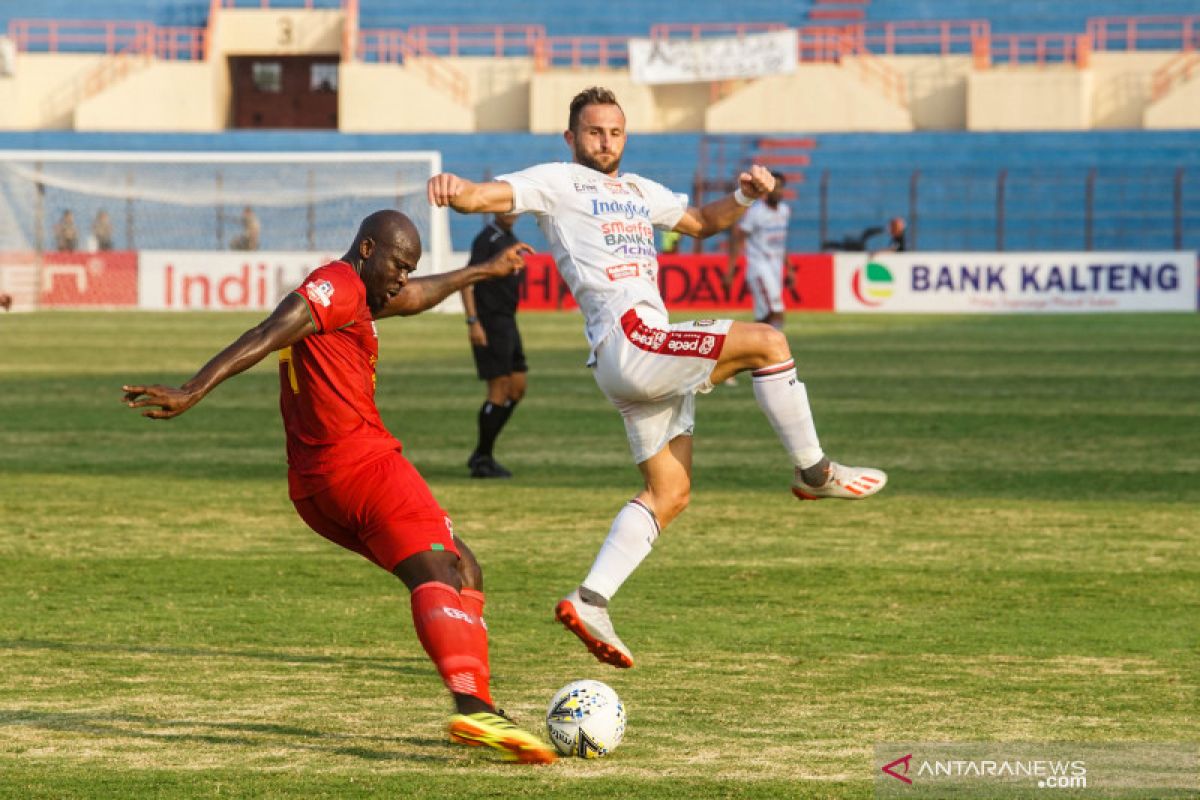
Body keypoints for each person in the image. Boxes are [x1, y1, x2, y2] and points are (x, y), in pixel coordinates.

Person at [427, 86, 887, 670]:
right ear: (571, 138)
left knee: (671, 494)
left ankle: (590, 600)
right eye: (593, 132)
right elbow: (485, 195)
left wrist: (743, 195)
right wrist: (456, 190)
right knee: (768, 342)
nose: (605, 142)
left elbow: (700, 221)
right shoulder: (557, 181)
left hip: (635, 358)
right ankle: (815, 471)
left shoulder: (639, 191)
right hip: (632, 338)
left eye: (615, 132)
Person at [122, 210, 555, 764]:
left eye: (409, 268)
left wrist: (480, 272)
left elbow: (417, 297)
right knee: (440, 567)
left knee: (464, 568)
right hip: (359, 465)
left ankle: (481, 708)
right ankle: (471, 706)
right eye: (398, 264)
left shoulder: (360, 295)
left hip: (317, 487)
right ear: (368, 249)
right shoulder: (337, 285)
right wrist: (193, 389)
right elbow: (267, 331)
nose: (402, 277)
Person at [461, 212, 527, 479]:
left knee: (518, 389)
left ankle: (482, 453)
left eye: (514, 208)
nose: (511, 213)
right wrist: (473, 321)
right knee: (499, 389)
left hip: (508, 322)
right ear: (495, 209)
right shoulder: (486, 239)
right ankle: (483, 458)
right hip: (489, 322)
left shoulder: (511, 239)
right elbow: (467, 280)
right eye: (506, 207)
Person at [727, 171, 790, 329]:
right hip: (759, 268)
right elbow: (739, 238)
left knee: (764, 317)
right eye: (774, 187)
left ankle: (751, 349)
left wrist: (789, 268)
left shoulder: (784, 211)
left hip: (775, 268)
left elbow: (780, 244)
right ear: (767, 190)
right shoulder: (757, 212)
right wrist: (730, 270)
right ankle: (775, 351)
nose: (777, 191)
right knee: (776, 311)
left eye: (780, 187)